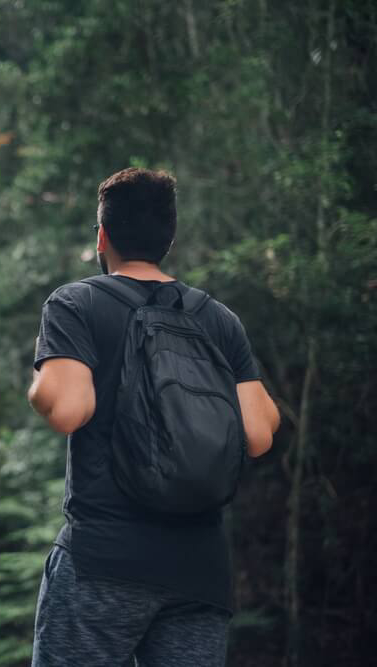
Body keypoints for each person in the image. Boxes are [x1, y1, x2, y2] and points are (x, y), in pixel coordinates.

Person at [26, 167, 280, 666]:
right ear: (170, 237)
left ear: (102, 236)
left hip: (105, 560)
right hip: (199, 572)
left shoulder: (77, 303)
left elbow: (67, 410)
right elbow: (259, 434)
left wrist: (39, 383)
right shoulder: (216, 318)